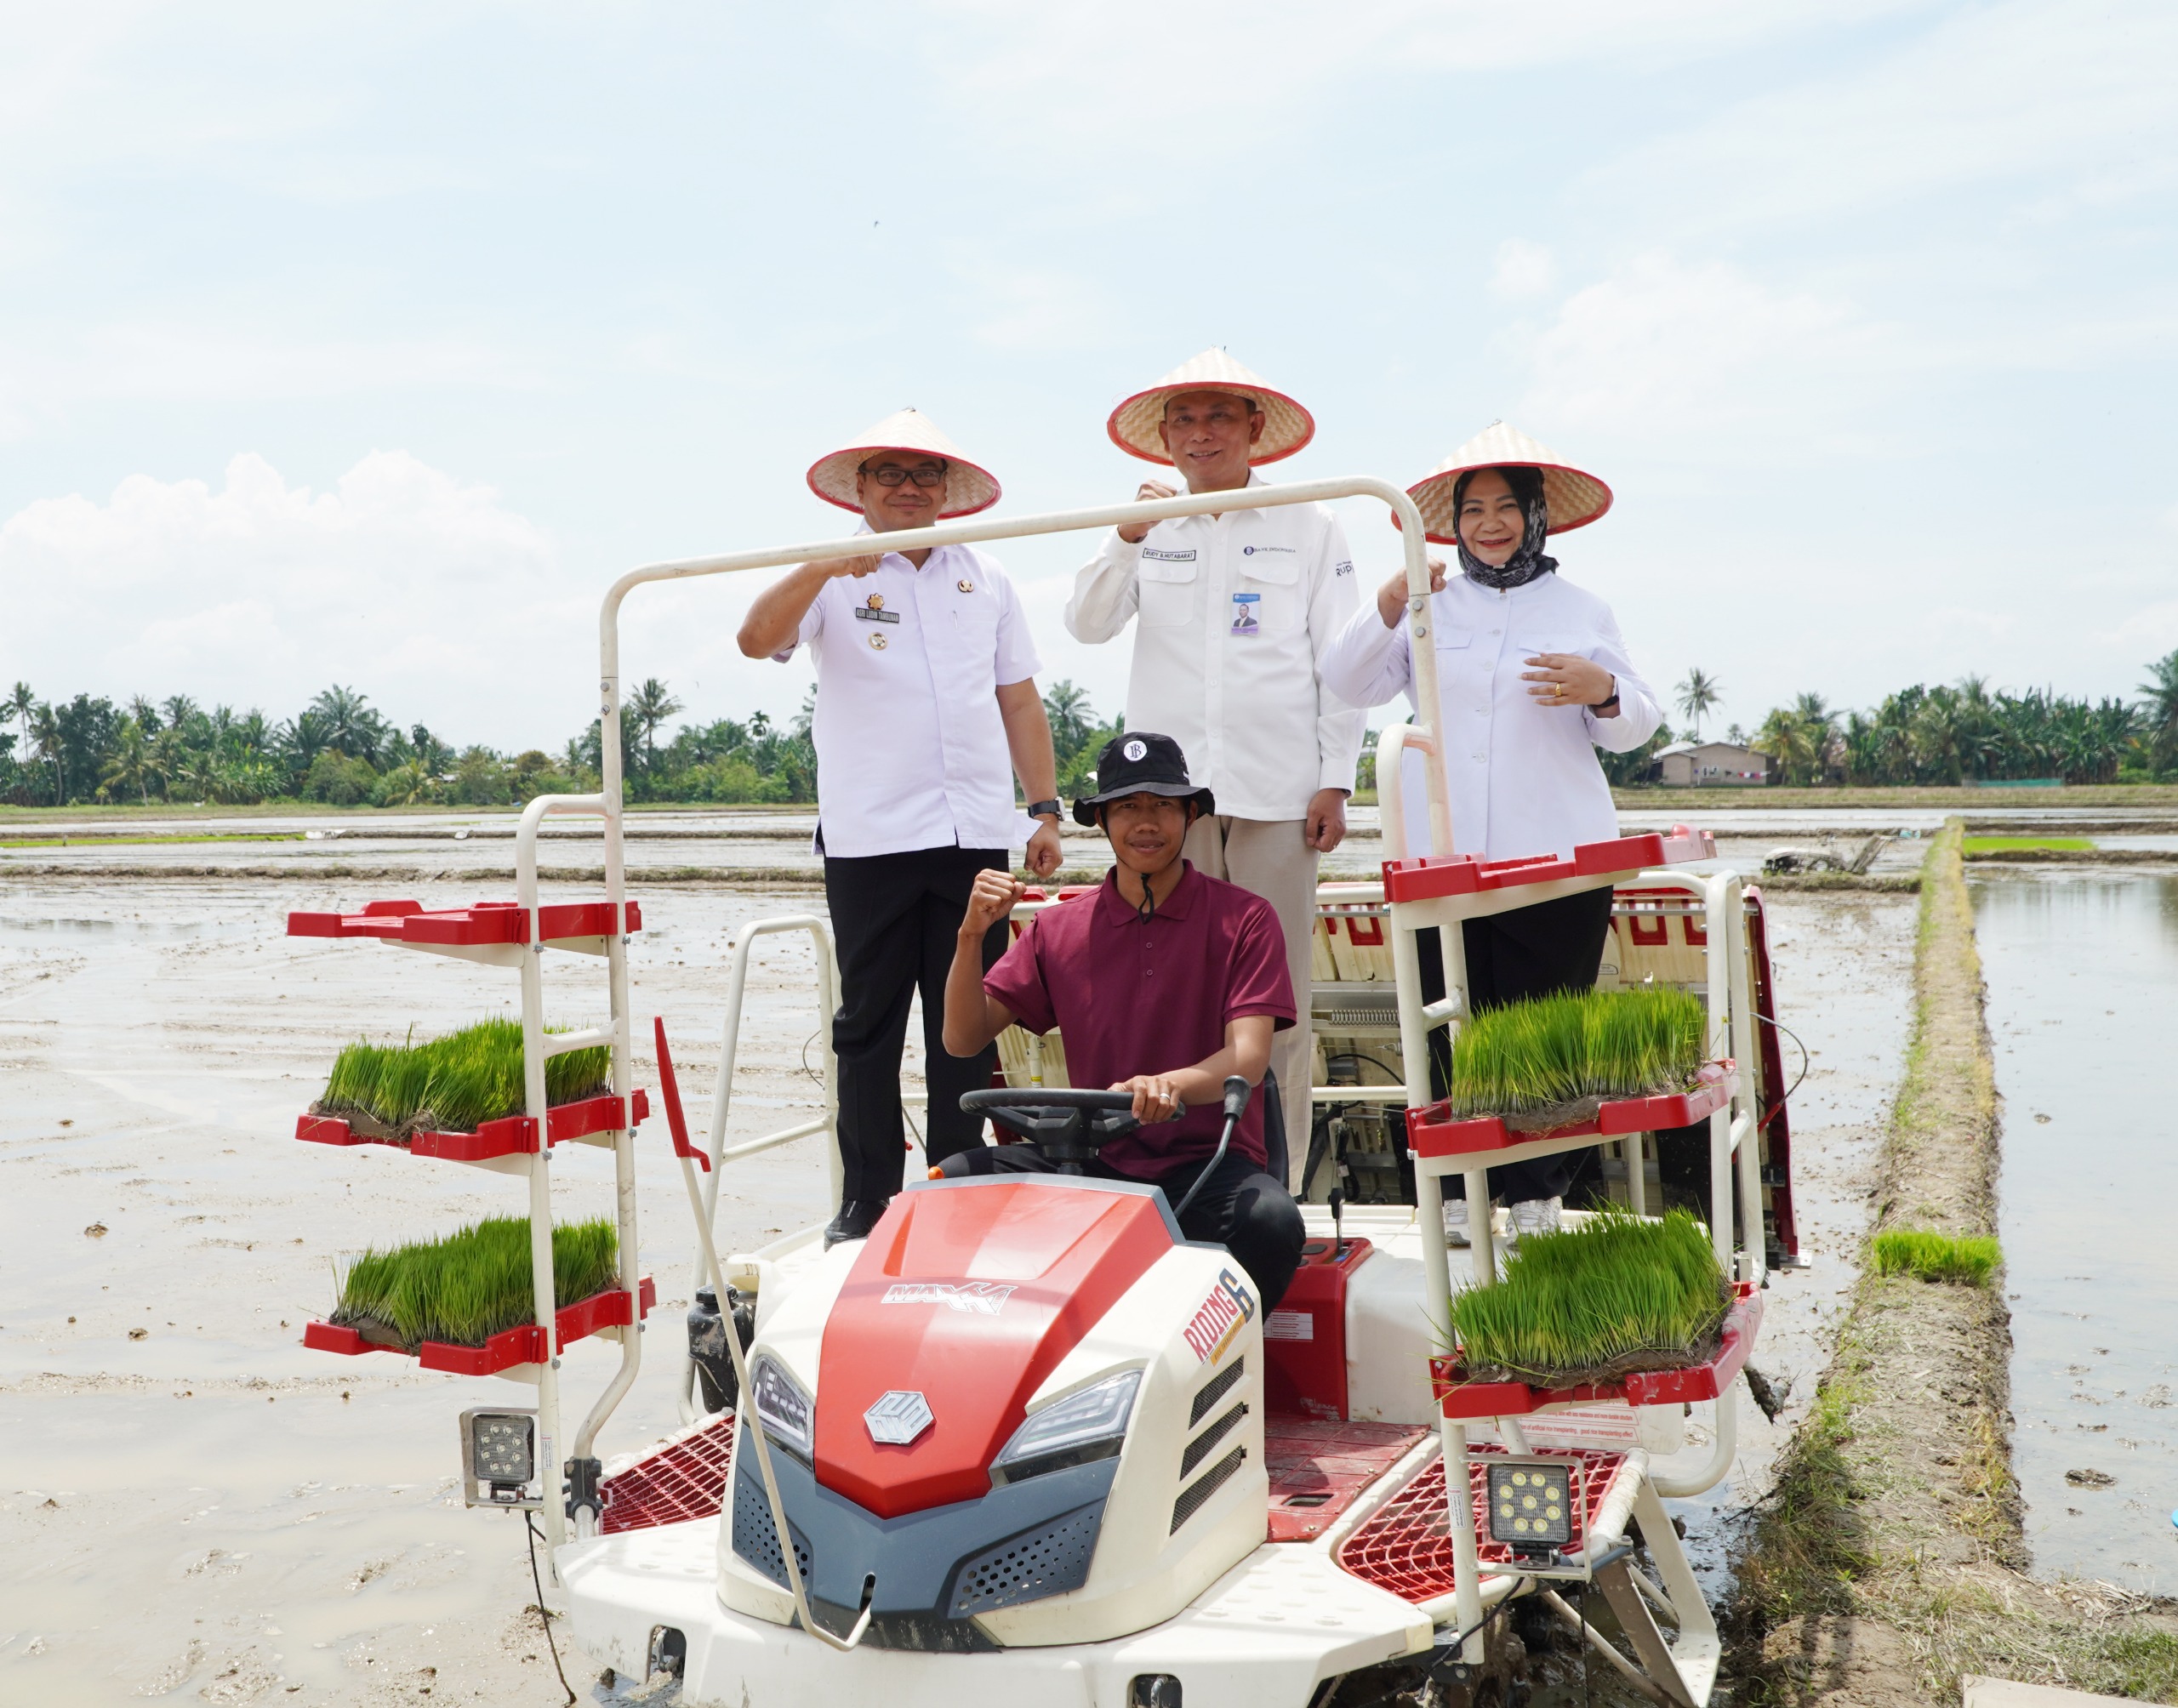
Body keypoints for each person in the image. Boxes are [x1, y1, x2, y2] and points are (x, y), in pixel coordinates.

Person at [1320, 422, 1662, 1238]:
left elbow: (1638, 724)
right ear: (1451, 521)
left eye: (1508, 507)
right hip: (1444, 850)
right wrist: (1391, 603)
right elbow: (1347, 679)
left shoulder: (1583, 609)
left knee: (1543, 1020)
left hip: (1556, 849)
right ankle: (1454, 1192)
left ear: (1538, 515)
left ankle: (1536, 1194)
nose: (1491, 524)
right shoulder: (1428, 602)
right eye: (1474, 510)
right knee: (1449, 1016)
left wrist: (1600, 687)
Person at [737, 407, 1065, 1247]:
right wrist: (816, 566)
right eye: (891, 473)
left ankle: (959, 1176)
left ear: (949, 491)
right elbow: (753, 639)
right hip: (871, 835)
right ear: (862, 488)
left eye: (925, 475)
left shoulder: (984, 577)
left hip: (970, 833)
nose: (909, 488)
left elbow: (1018, 697)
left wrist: (1045, 809)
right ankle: (868, 1195)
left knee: (967, 1018)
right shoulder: (828, 575)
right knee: (867, 1026)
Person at [1063, 350, 1364, 1177]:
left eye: (1218, 417)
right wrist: (1125, 537)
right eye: (1184, 420)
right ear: (1161, 437)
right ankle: (1178, 1174)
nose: (1201, 434)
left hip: (1277, 792)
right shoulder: (1143, 524)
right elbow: (1085, 623)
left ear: (1253, 429)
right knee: (1167, 997)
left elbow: (1340, 660)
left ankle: (1277, 1186)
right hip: (1169, 808)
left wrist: (1335, 775)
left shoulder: (1310, 523)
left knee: (1278, 1005)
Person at [938, 732, 1306, 1311]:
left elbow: (1249, 1058)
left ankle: (1212, 1364)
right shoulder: (1058, 930)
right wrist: (969, 935)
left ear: (1190, 815)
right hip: (1091, 1160)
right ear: (1103, 821)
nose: (1146, 822)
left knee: (1272, 1222)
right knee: (948, 1188)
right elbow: (963, 1039)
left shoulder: (1245, 919)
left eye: (1163, 805)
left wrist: (1170, 1085)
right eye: (1128, 806)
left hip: (1205, 1161)